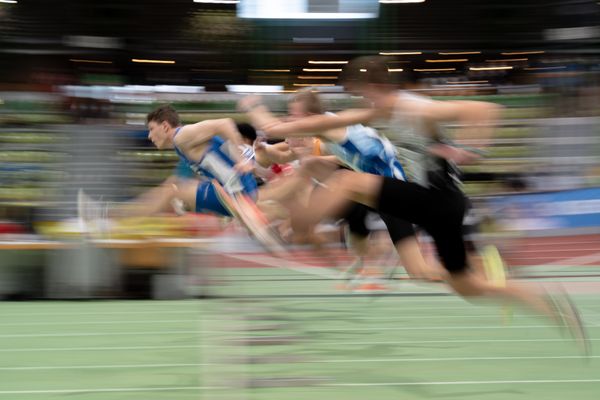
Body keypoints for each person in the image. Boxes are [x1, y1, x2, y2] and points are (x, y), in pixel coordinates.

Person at [239, 56, 589, 353]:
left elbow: (483, 108)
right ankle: (544, 302)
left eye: (362, 92)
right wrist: (268, 122)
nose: (361, 100)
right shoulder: (378, 112)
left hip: (433, 198)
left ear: (376, 88)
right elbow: (320, 125)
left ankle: (297, 228)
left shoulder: (413, 107)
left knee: (345, 181)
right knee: (463, 285)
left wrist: (469, 149)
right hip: (430, 204)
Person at [241, 88, 441, 281]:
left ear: (310, 115)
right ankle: (263, 207)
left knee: (419, 271)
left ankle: (267, 208)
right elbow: (279, 154)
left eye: (294, 113)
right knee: (419, 271)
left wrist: (254, 106)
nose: (291, 118)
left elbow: (273, 128)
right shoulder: (319, 136)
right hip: (379, 190)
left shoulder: (326, 125)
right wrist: (263, 149)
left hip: (398, 189)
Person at [78, 105, 282, 252]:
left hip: (238, 192)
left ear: (165, 126)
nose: (149, 136)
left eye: (151, 129)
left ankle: (104, 216)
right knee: (171, 195)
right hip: (235, 192)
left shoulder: (182, 136)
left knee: (171, 193)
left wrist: (240, 159)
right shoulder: (183, 147)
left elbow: (225, 123)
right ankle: (258, 225)